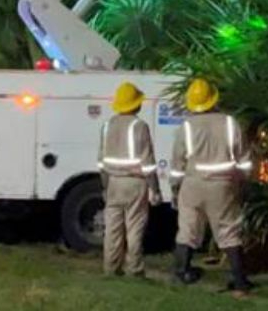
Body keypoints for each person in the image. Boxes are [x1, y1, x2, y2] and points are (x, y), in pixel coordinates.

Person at [170, 78, 253, 295]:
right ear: (213, 99)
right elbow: (244, 158)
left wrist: (175, 188)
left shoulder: (186, 127)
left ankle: (182, 272)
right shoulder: (229, 123)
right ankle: (239, 281)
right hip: (222, 185)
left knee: (188, 228)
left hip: (192, 184)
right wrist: (242, 181)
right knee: (228, 230)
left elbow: (177, 163)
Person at [97, 82, 160, 278]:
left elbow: (101, 162)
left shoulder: (107, 126)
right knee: (134, 227)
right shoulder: (139, 126)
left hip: (113, 182)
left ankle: (111, 268)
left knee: (113, 229)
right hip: (135, 183)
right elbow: (147, 163)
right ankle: (134, 269)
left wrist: (105, 186)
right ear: (136, 105)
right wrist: (155, 189)